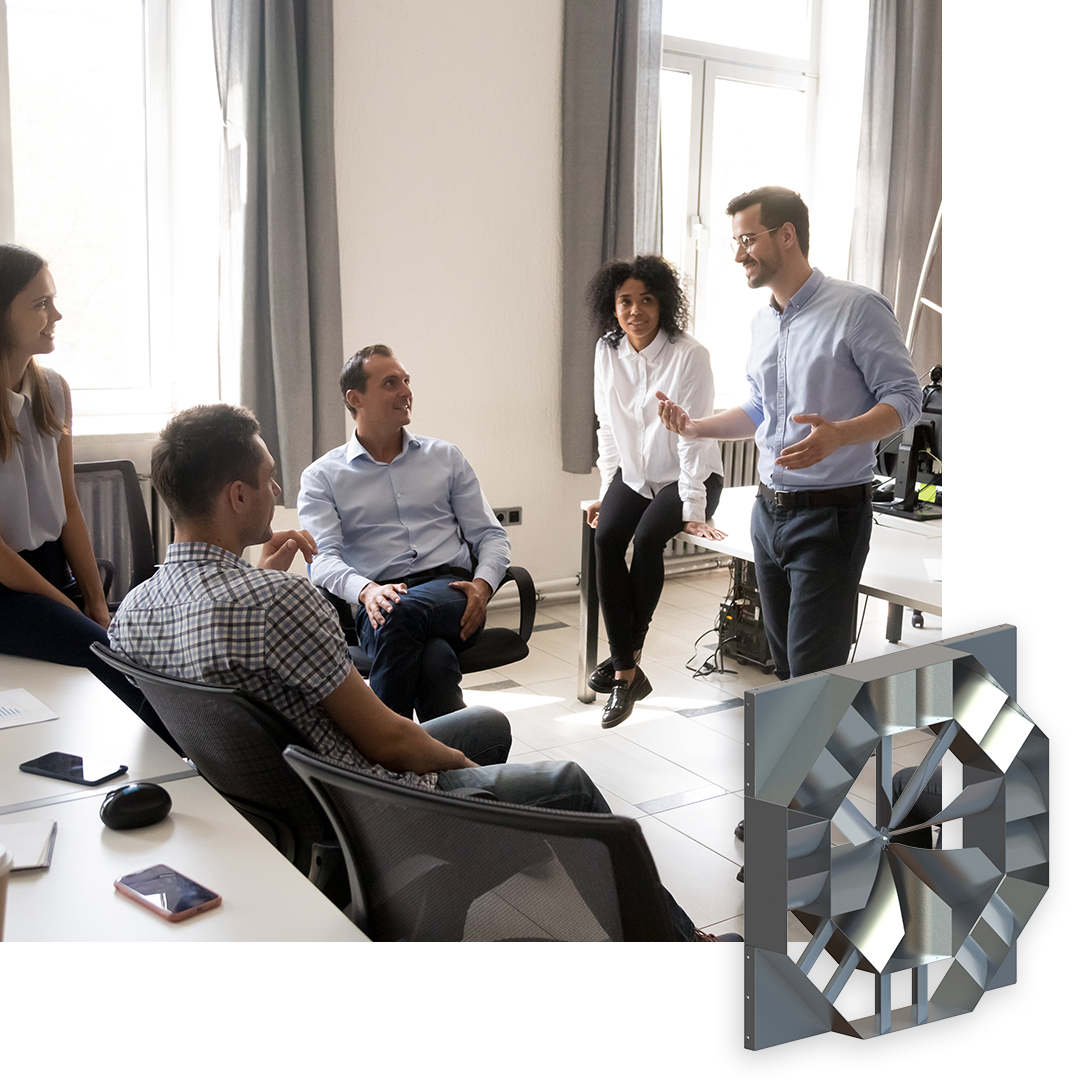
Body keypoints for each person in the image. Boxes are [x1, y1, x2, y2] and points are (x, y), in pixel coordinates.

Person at [109, 402, 735, 942]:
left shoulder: (137, 610)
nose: (276, 492)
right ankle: (678, 939)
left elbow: (225, 659)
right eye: (268, 480)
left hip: (280, 803)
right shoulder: (280, 602)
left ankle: (446, 893)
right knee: (565, 780)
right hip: (369, 805)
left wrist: (266, 577)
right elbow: (387, 739)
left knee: (485, 720)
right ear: (236, 495)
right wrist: (474, 781)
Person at [658, 187, 923, 682]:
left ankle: (814, 759)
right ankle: (806, 756)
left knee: (811, 677)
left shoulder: (858, 308)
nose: (739, 255)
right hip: (768, 514)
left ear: (786, 236)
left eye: (748, 240)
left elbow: (906, 400)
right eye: (734, 242)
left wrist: (842, 434)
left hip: (830, 517)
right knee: (786, 672)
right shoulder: (762, 322)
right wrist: (696, 428)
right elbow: (760, 408)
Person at [0, 243, 165, 738]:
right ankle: (203, 775)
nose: (57, 314)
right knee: (125, 675)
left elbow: (68, 502)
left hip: (47, 569)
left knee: (122, 659)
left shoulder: (53, 390)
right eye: (40, 304)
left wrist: (94, 598)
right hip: (7, 585)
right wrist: (64, 606)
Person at [297, 344, 510, 723]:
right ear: (355, 398)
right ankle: (451, 768)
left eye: (406, 381)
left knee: (399, 617)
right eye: (391, 383)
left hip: (452, 594)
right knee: (434, 660)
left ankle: (378, 752)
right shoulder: (322, 476)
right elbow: (322, 559)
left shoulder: (446, 457)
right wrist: (366, 590)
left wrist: (484, 584)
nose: (405, 391)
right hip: (377, 600)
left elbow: (490, 535)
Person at [584, 255, 725, 727]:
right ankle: (627, 670)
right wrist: (608, 489)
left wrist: (693, 505)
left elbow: (693, 435)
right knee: (604, 539)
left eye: (646, 300)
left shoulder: (689, 354)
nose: (636, 310)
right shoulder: (608, 351)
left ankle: (625, 666)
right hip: (636, 474)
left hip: (693, 472)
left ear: (663, 303)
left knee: (646, 540)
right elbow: (607, 425)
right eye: (626, 301)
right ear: (613, 306)